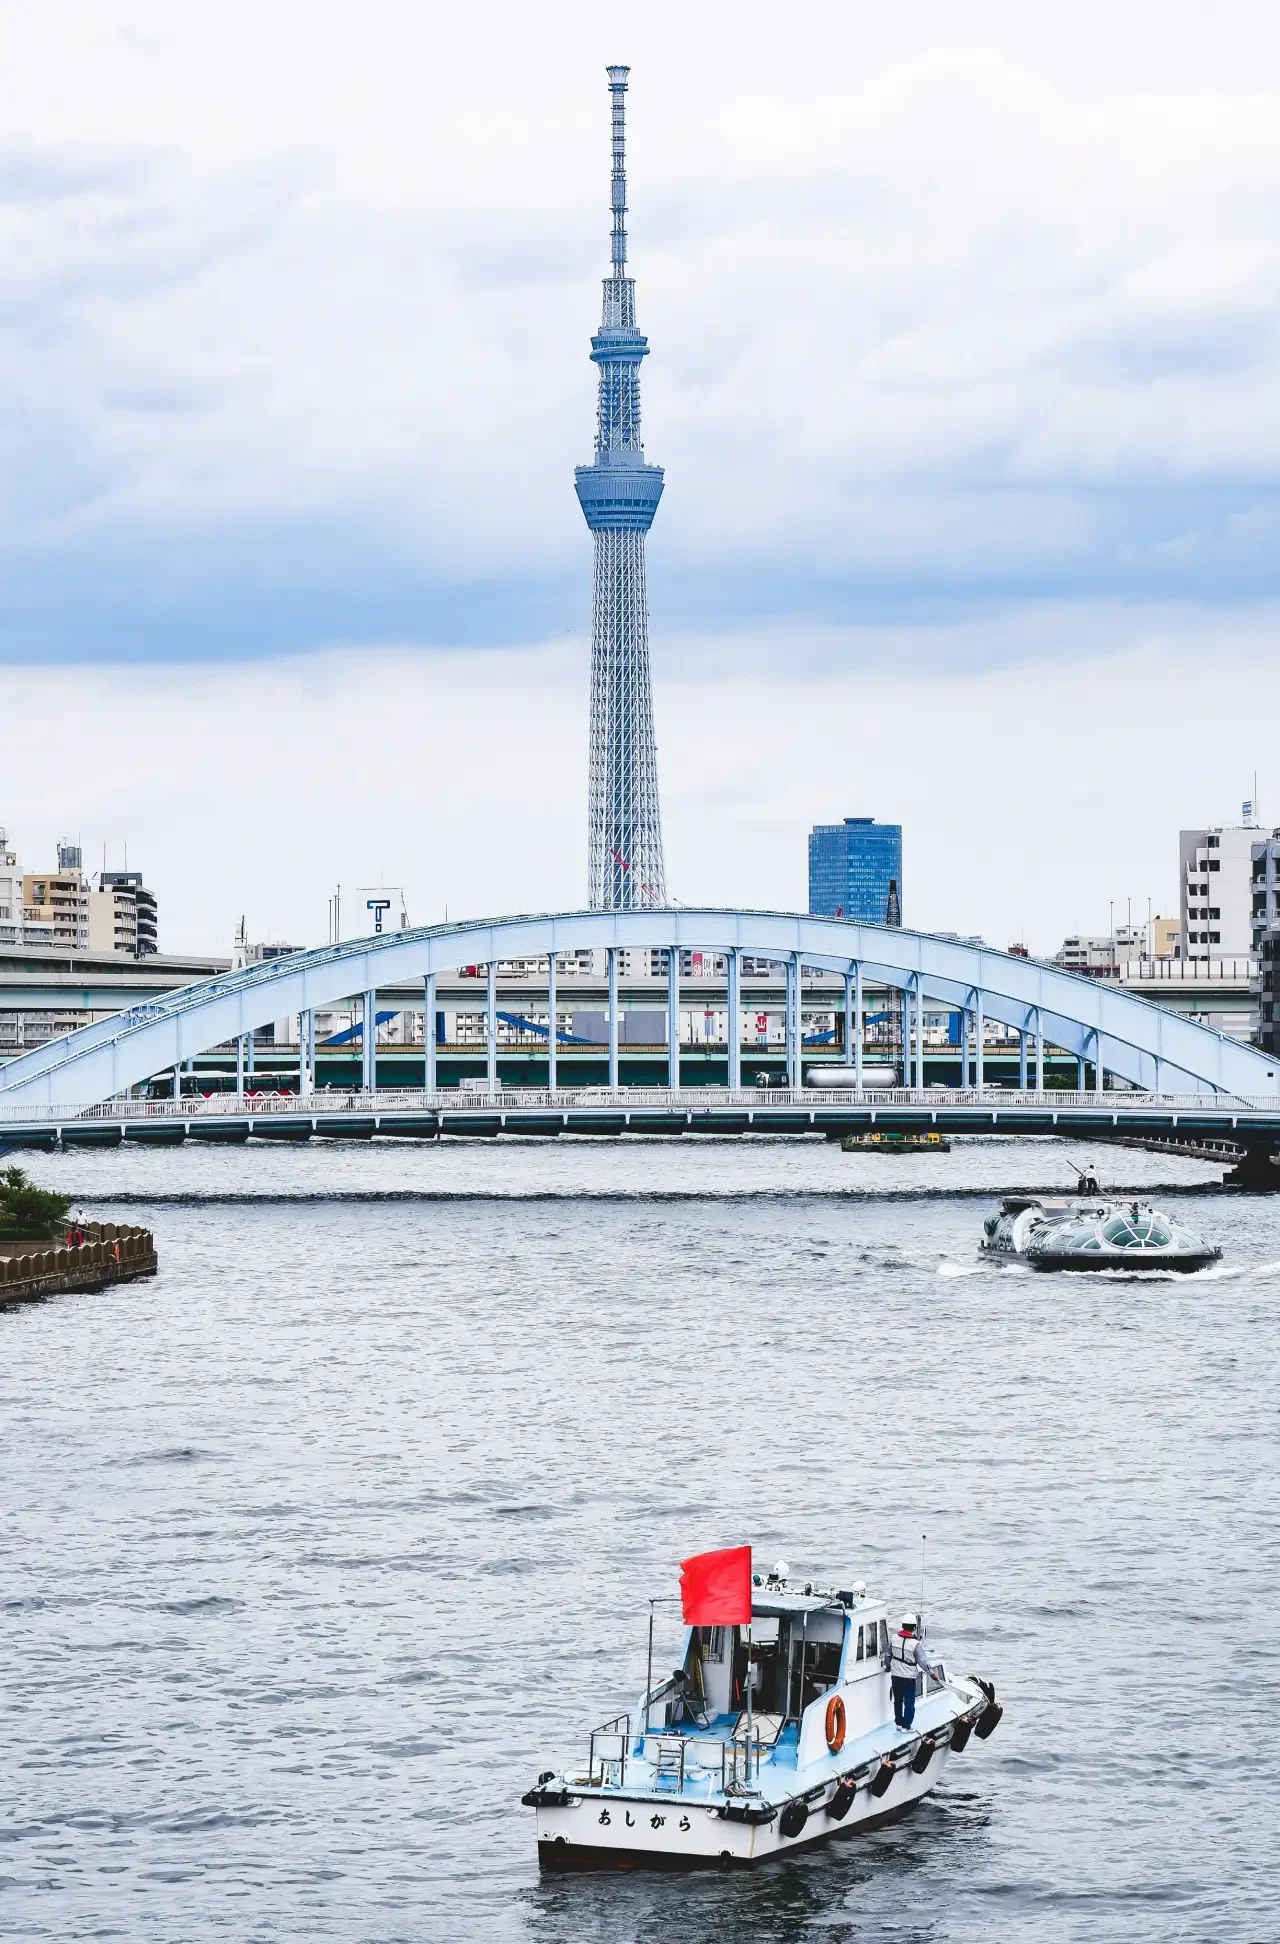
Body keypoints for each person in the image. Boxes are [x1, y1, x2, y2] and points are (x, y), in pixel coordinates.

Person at [890, 1612, 938, 1730]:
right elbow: (923, 1661)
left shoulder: (893, 1639)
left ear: (902, 1625)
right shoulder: (915, 1644)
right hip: (908, 1677)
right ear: (914, 1628)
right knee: (909, 1703)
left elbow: (887, 1655)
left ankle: (898, 1723)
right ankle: (906, 1726)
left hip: (895, 1675)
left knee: (898, 1701)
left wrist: (887, 1667)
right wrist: (931, 1673)